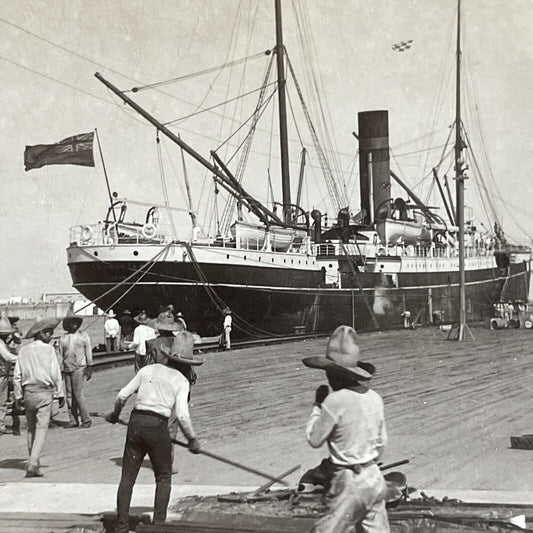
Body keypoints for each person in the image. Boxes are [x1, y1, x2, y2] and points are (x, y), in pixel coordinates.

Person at [105, 329, 202, 533]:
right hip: (158, 426)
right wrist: (192, 439)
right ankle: (159, 525)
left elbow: (122, 395)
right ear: (186, 363)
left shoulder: (147, 370)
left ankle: (121, 526)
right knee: (164, 477)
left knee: (127, 478)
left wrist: (114, 414)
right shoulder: (181, 381)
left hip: (136, 422)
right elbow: (182, 416)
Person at [302, 325, 389, 533]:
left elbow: (314, 439)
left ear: (334, 374)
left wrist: (317, 406)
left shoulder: (334, 401)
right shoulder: (375, 398)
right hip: (374, 478)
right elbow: (382, 443)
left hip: (349, 483)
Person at [13, 318, 65, 478]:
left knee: (31, 428)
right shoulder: (49, 350)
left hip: (28, 392)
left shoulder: (23, 350)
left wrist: (18, 396)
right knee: (42, 428)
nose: (51, 335)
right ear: (41, 334)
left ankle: (34, 466)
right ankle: (33, 462)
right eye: (48, 333)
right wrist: (60, 392)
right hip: (44, 392)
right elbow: (56, 373)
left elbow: (17, 376)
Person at [59, 313, 93, 428]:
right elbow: (60, 355)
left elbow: (88, 351)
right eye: (71, 322)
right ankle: (73, 420)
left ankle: (86, 420)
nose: (74, 324)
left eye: (75, 322)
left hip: (80, 367)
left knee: (78, 394)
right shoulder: (63, 338)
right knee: (69, 395)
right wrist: (59, 370)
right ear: (67, 325)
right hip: (67, 367)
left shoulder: (84, 335)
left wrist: (90, 366)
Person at [0, 313, 18, 435]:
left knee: (2, 402)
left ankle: (1, 426)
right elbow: (8, 357)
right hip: (0, 375)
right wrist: (24, 357)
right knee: (1, 402)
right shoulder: (0, 343)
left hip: (3, 374)